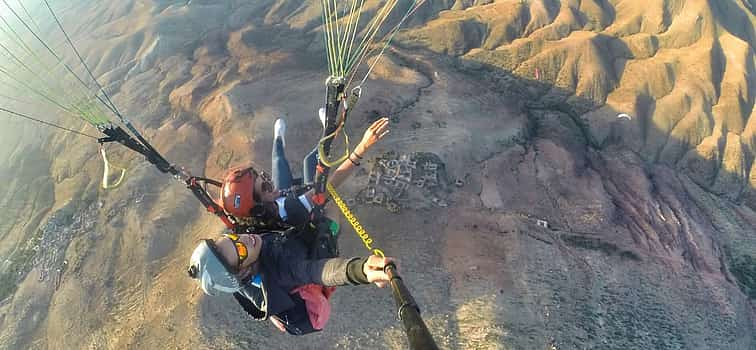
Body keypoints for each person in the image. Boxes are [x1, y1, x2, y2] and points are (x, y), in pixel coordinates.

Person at [187, 230, 396, 335]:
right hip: (309, 312)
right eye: (240, 250)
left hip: (284, 306)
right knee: (326, 224)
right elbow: (314, 271)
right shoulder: (282, 270)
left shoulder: (240, 277)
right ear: (244, 271)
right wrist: (360, 270)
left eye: (232, 238)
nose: (244, 239)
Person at [217, 111, 390, 230]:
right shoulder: (292, 208)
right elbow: (332, 183)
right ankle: (329, 133)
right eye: (265, 187)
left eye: (265, 178)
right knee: (311, 162)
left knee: (278, 160)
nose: (270, 183)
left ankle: (279, 138)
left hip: (280, 203)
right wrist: (363, 147)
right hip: (307, 209)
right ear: (258, 207)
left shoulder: (255, 221)